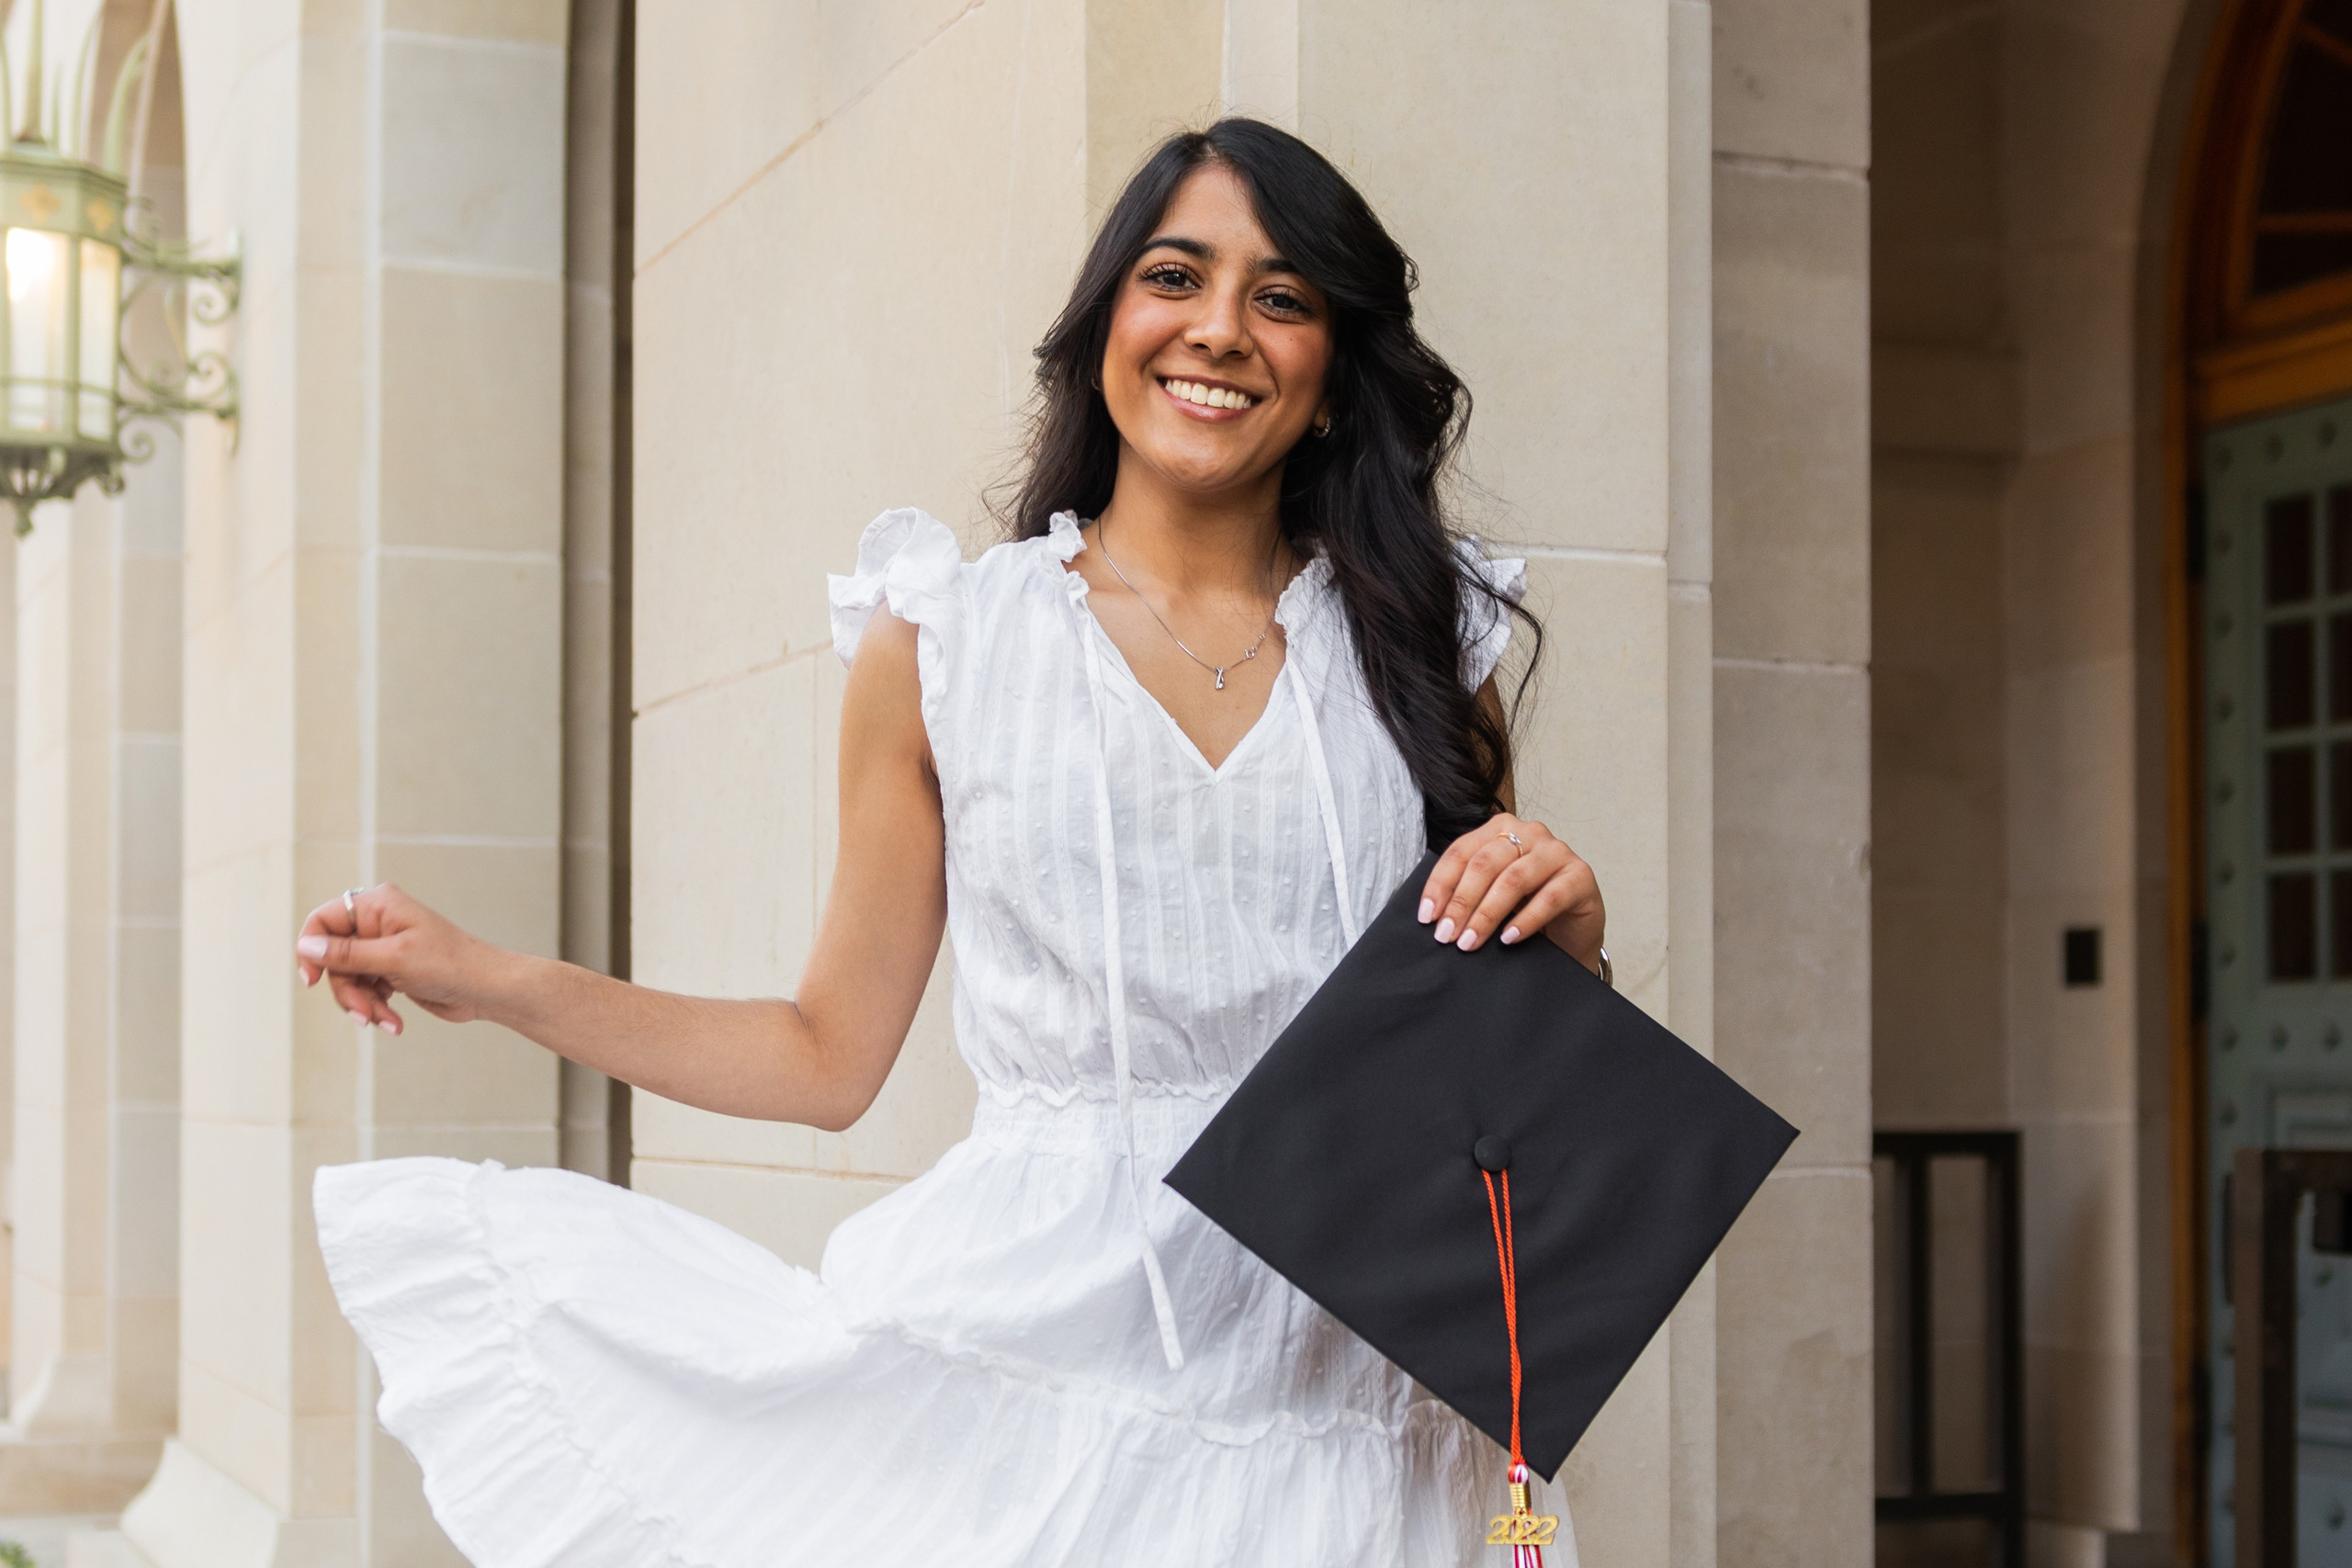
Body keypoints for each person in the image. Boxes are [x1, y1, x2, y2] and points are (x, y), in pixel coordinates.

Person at [298, 118, 1607, 1568]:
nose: (1222, 331)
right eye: (1177, 275)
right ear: (1106, 317)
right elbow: (822, 1051)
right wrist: (482, 974)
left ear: (1333, 367)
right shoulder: (949, 643)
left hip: (1352, 1396)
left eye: (1284, 298)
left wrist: (1573, 930)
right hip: (1031, 1379)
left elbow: (1502, 1062)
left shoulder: (1424, 642)